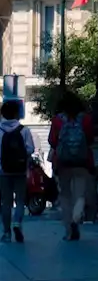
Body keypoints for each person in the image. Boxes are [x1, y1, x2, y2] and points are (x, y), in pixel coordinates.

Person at [48, 92, 94, 241]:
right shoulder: (86, 119)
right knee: (80, 194)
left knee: (65, 196)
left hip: (63, 163)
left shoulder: (57, 120)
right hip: (82, 162)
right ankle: (76, 219)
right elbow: (90, 139)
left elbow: (52, 141)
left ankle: (68, 231)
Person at [0, 99, 35, 243]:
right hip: (20, 170)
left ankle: (7, 233)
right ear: (16, 114)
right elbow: (30, 149)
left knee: (6, 202)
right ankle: (17, 223)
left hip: (2, 171)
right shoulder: (24, 130)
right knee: (20, 200)